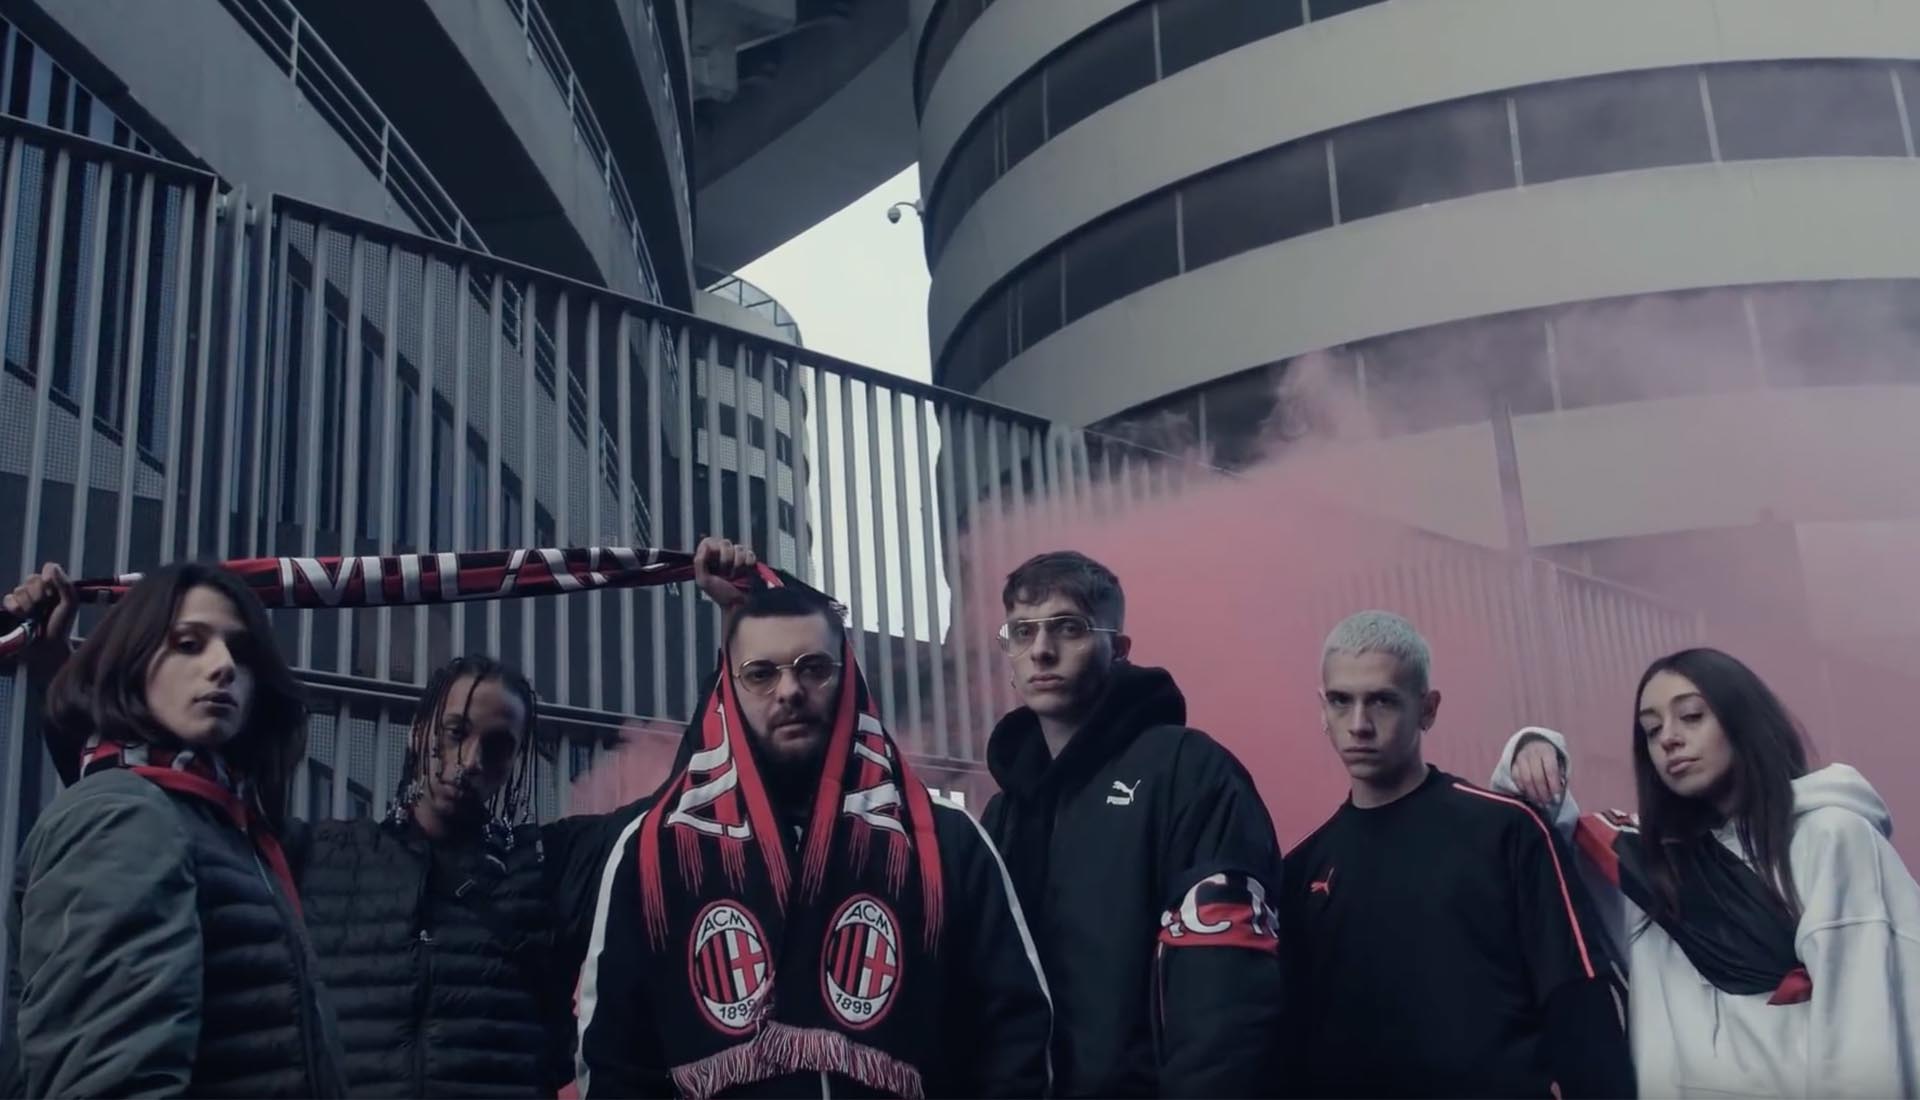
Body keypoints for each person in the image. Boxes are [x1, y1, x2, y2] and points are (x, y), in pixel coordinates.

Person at [3, 538, 758, 1097]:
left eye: (498, 747)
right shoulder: (309, 854)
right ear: (421, 732)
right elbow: (147, 822)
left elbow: (683, 803)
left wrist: (738, 638)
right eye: (455, 732)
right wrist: (51, 665)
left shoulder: (548, 868)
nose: (469, 760)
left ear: (517, 762)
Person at [577, 579, 1052, 1097]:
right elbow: (614, 1056)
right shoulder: (657, 848)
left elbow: (1015, 1027)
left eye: (814, 668)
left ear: (847, 678)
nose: (789, 691)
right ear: (728, 689)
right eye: (760, 673)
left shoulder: (945, 838)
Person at [1492, 647, 1920, 1097]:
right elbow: (1546, 857)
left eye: (1692, 716)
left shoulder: (1832, 836)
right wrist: (1533, 753)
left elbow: (1865, 1020)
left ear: (1743, 720)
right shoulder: (1650, 868)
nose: (1668, 739)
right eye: (1652, 730)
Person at [0, 562, 346, 1097]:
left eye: (241, 652)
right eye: (188, 644)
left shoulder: (220, 825)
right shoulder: (121, 816)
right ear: (133, 659)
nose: (223, 666)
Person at [1281, 610, 1632, 1099]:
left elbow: (1578, 996)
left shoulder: (1507, 829)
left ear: (1428, 709)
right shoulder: (1300, 870)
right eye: (1341, 701)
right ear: (1322, 709)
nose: (1358, 724)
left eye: (1382, 700)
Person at [982, 551, 1283, 1097]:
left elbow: (1226, 992)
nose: (1041, 650)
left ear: (1118, 649)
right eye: (1023, 631)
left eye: (1068, 628)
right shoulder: (1004, 814)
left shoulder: (1187, 770)